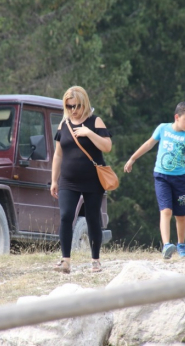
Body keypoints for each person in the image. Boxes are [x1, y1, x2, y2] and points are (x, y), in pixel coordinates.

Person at [124, 102, 185, 259]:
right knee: (166, 210)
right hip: (161, 177)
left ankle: (181, 244)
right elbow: (149, 144)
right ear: (177, 117)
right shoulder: (163, 128)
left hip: (180, 180)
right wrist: (132, 158)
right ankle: (167, 245)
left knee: (180, 215)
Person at [51, 86, 112, 274]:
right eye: (69, 107)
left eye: (76, 106)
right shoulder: (64, 124)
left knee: (93, 218)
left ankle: (95, 260)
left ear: (84, 103)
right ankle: (66, 260)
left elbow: (107, 146)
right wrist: (54, 180)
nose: (73, 110)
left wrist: (89, 133)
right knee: (66, 216)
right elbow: (58, 154)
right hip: (68, 180)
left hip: (93, 180)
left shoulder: (96, 121)